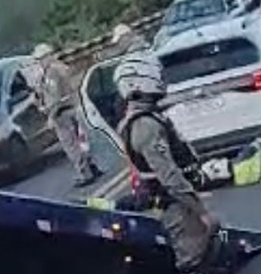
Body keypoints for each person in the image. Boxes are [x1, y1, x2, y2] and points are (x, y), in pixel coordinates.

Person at [114, 53, 220, 274]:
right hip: (176, 207)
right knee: (194, 261)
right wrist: (201, 211)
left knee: (208, 253)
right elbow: (168, 175)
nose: (163, 80)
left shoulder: (147, 118)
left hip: (180, 202)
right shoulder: (145, 125)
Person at [31, 43, 103, 188]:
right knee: (81, 141)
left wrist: (51, 116)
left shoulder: (52, 72)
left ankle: (85, 174)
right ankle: (92, 167)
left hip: (62, 112)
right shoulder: (60, 68)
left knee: (71, 146)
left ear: (47, 56)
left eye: (40, 59)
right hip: (71, 108)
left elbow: (55, 97)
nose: (39, 62)